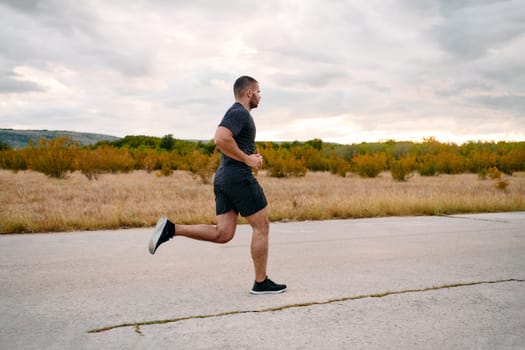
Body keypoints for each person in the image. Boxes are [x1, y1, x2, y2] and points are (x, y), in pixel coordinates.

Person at [148, 75, 287, 295]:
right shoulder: (239, 112)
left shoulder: (238, 113)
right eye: (259, 92)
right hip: (237, 177)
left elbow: (230, 143)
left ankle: (171, 229)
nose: (260, 96)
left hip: (224, 177)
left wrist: (251, 157)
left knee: (224, 234)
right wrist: (247, 160)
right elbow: (220, 138)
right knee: (262, 226)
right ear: (249, 93)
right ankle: (261, 282)